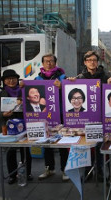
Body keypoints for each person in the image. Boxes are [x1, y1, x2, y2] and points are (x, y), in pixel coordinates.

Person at [69, 51, 110, 182]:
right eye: (89, 60)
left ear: (97, 62)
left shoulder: (105, 76)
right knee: (86, 145)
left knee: (99, 145)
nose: (92, 62)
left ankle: (99, 170)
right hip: (86, 117)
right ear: (85, 62)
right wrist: (69, 83)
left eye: (94, 60)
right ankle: (87, 171)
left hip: (101, 116)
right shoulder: (80, 77)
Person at [0, 69, 32, 184]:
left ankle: (28, 173)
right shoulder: (0, 94)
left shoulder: (24, 91)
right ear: (4, 81)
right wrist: (2, 114)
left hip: (23, 125)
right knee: (10, 151)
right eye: (8, 79)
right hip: (7, 126)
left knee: (25, 150)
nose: (11, 81)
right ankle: (12, 175)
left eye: (13, 78)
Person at [35, 53, 69, 181]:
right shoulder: (37, 79)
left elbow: (69, 93)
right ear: (42, 64)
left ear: (55, 63)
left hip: (59, 114)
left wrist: (62, 87)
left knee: (62, 143)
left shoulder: (62, 77)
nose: (49, 63)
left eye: (51, 61)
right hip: (44, 115)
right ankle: (49, 168)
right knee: (46, 142)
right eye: (46, 61)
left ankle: (65, 170)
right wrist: (23, 87)